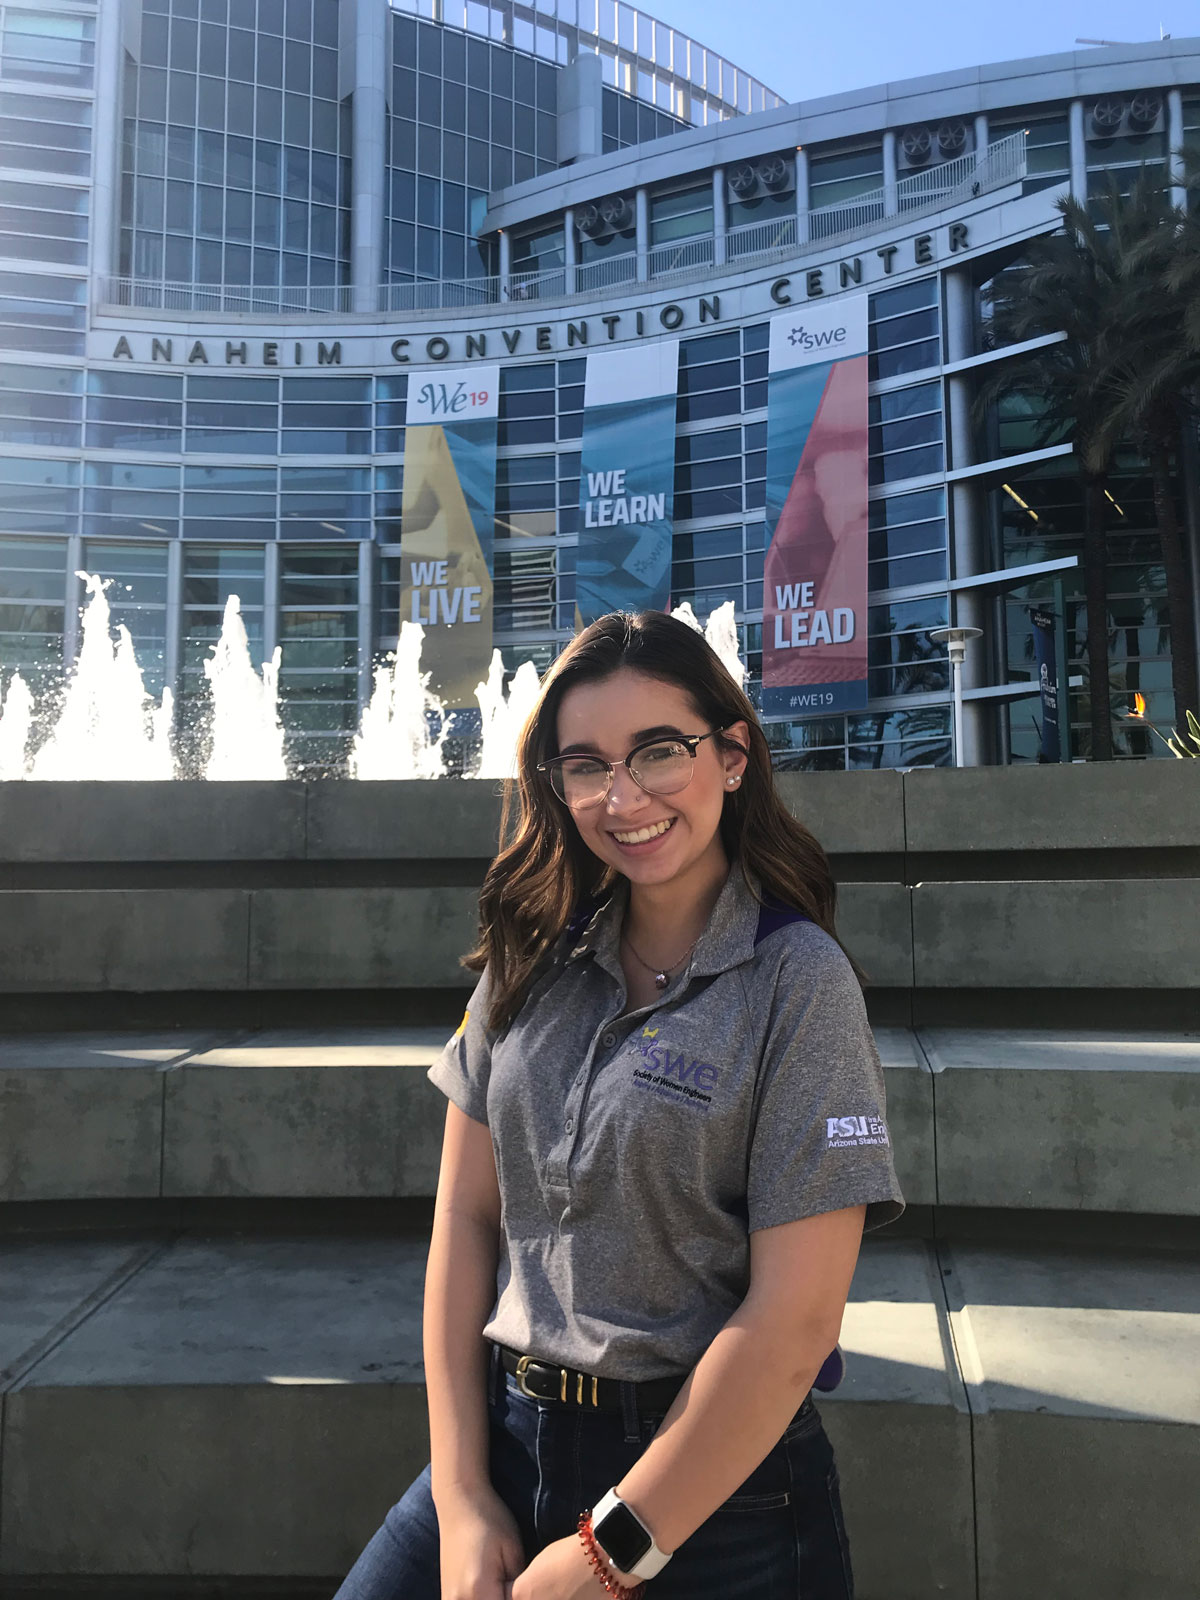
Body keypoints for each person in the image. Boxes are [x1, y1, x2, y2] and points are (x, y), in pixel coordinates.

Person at [334, 610, 903, 1600]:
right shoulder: (529, 954)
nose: (622, 795)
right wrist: (464, 1491)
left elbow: (795, 1318)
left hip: (716, 1497)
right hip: (508, 1442)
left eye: (658, 752)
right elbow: (466, 1218)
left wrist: (611, 1554)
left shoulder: (796, 983)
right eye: (586, 765)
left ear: (731, 756)